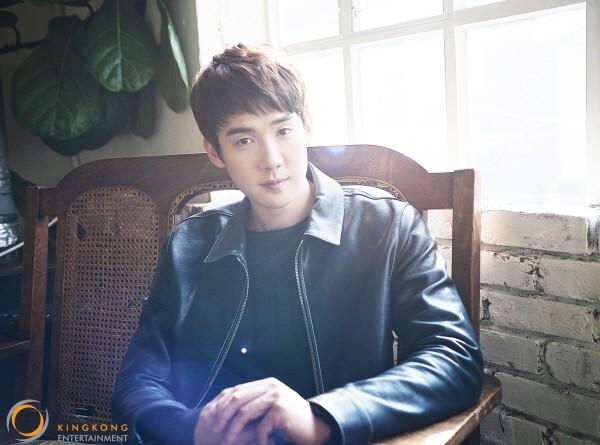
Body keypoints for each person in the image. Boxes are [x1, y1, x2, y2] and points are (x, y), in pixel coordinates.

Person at [111, 43, 483, 445]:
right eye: (243, 141)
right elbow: (139, 379)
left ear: (306, 126)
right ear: (215, 152)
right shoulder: (190, 244)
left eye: (283, 131)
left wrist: (322, 417)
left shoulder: (389, 227)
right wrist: (192, 428)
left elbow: (453, 357)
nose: (271, 159)